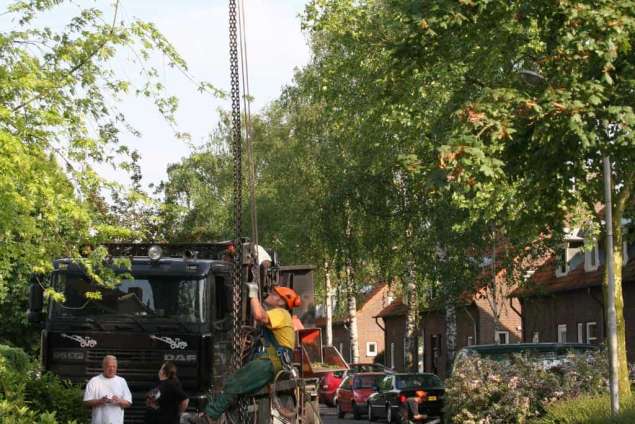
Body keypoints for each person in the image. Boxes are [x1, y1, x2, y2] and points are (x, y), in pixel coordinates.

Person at [190, 284, 301, 424]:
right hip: (272, 361)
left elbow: (259, 316)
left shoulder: (281, 313)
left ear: (281, 302)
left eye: (274, 294)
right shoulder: (279, 316)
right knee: (234, 383)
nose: (269, 294)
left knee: (235, 383)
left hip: (270, 361)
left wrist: (253, 293)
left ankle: (209, 418)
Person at [83, 355, 132, 424]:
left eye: (114, 366)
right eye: (109, 366)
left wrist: (119, 401)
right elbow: (86, 402)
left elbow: (128, 403)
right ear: (103, 367)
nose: (111, 369)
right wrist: (100, 401)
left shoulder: (122, 381)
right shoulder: (94, 381)